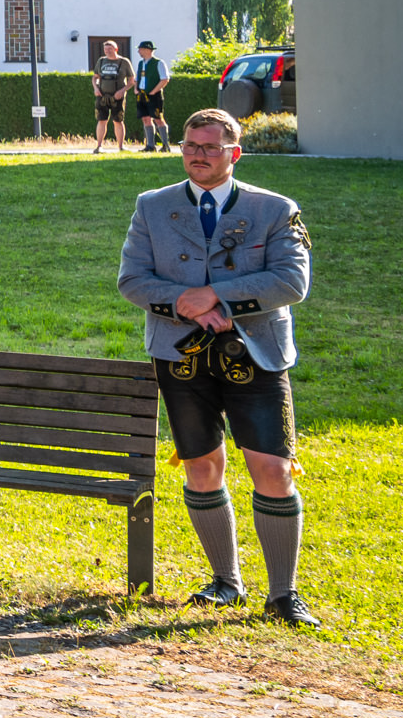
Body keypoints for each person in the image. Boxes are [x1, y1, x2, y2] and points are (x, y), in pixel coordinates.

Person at [118, 107, 316, 625]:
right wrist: (188, 304)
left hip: (258, 355)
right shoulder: (152, 206)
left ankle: (284, 595)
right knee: (202, 467)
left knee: (272, 469)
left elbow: (292, 282)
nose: (198, 156)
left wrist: (217, 297)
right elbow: (132, 280)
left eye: (210, 148)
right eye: (190, 146)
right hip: (179, 357)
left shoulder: (275, 209)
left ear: (235, 153)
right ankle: (226, 582)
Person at [92, 40, 133, 154]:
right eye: (105, 49)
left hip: (117, 97)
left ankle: (121, 147)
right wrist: (96, 88)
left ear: (116, 49)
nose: (107, 51)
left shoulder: (124, 62)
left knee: (118, 121)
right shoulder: (101, 61)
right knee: (101, 120)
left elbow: (131, 80)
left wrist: (122, 91)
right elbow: (95, 77)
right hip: (102, 96)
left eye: (110, 49)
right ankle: (99, 146)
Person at [134, 41, 171, 152]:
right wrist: (136, 89)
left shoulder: (159, 63)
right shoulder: (141, 63)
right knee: (145, 119)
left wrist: (154, 91)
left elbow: (164, 79)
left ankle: (165, 145)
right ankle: (150, 145)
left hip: (154, 95)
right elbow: (137, 78)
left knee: (158, 118)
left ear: (147, 50)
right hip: (141, 95)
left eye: (140, 49)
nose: (139, 51)